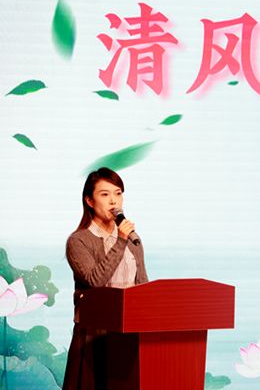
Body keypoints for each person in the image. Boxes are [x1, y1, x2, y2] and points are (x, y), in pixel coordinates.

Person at [63, 167, 149, 390]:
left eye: (118, 193)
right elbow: (95, 281)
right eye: (105, 194)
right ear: (89, 201)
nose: (113, 201)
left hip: (130, 333)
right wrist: (120, 241)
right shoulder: (79, 241)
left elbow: (143, 285)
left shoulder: (133, 240)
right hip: (95, 336)